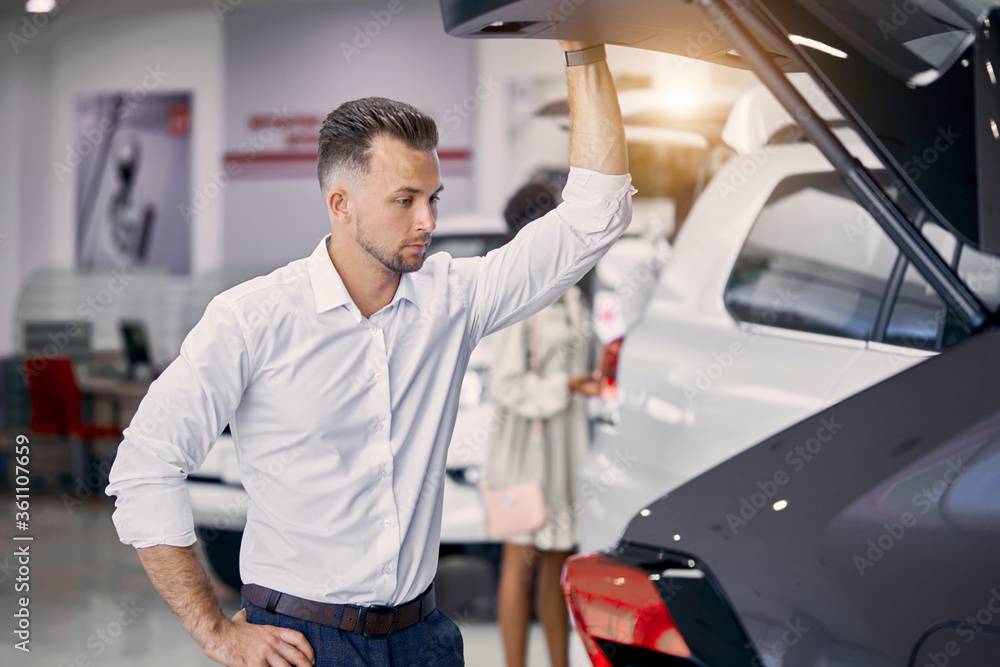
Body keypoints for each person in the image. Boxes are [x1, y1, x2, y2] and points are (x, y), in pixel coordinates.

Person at [105, 38, 632, 667]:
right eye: (405, 200)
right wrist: (215, 631)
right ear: (341, 205)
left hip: (425, 639)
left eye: (432, 199)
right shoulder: (251, 319)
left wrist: (582, 46)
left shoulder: (452, 301)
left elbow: (595, 214)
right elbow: (145, 465)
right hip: (302, 644)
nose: (428, 221)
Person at [489, 180, 601, 667]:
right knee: (521, 564)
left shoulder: (569, 286)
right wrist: (565, 387)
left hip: (564, 448)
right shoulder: (520, 293)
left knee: (558, 565)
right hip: (526, 452)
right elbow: (507, 384)